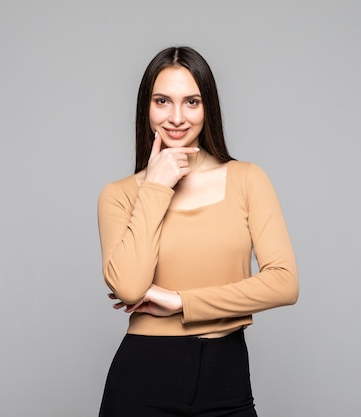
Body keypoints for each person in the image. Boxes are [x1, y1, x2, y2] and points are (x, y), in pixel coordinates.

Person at [97, 46, 299, 417]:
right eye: (163, 101)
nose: (176, 117)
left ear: (209, 108)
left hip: (228, 377)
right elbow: (128, 287)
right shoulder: (120, 195)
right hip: (143, 380)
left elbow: (285, 283)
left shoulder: (247, 179)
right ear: (147, 107)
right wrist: (156, 187)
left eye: (191, 101)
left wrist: (181, 302)